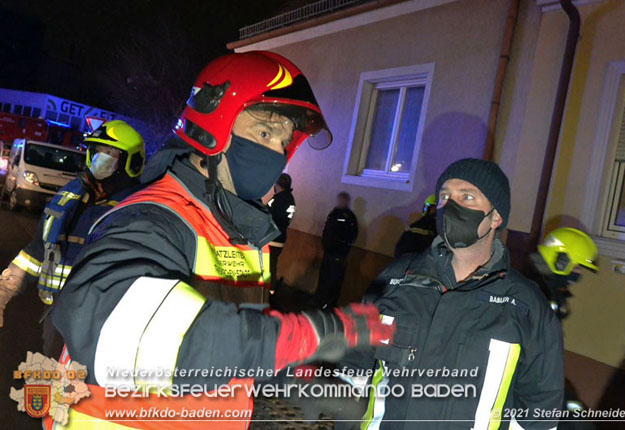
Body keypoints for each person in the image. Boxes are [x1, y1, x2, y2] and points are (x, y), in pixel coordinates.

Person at [48, 52, 394, 430]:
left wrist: (299, 379)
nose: (276, 153)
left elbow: (237, 344)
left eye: (283, 142)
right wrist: (309, 335)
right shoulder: (153, 219)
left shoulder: (240, 233)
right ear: (212, 129)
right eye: (264, 133)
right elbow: (114, 331)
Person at [343, 158, 564, 430]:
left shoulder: (527, 306)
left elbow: (539, 416)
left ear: (496, 217)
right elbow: (354, 373)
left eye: (467, 197)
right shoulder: (395, 278)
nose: (451, 207)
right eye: (445, 196)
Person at [0, 120, 145, 356]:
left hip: (98, 325)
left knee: (75, 387)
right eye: (97, 151)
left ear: (131, 162)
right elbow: (38, 249)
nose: (100, 158)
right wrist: (4, 290)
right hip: (55, 313)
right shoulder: (70, 193)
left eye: (110, 153)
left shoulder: (136, 209)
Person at [526, 227, 599, 430]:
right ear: (561, 261)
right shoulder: (534, 295)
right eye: (576, 268)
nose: (578, 275)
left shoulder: (548, 291)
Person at [315, 191, 358, 308]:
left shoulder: (349, 217)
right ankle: (320, 301)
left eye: (342, 200)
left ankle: (330, 304)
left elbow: (352, 235)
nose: (340, 202)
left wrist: (342, 247)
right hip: (328, 252)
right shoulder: (333, 213)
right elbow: (327, 230)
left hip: (339, 254)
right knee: (324, 277)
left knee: (334, 279)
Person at [267, 172, 296, 289]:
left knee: (269, 266)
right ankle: (270, 289)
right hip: (279, 237)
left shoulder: (281, 199)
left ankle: (270, 290)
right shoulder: (288, 198)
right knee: (271, 265)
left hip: (272, 237)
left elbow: (270, 216)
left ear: (278, 184)